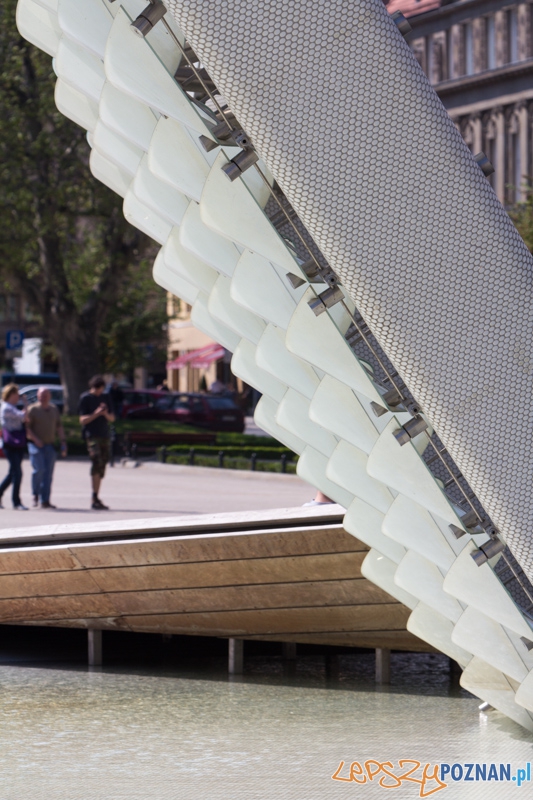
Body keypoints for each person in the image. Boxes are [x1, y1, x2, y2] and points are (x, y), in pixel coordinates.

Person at [26, 387, 67, 509]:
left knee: (48, 474)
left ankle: (45, 500)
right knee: (39, 469)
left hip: (49, 445)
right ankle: (35, 494)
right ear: (38, 396)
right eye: (40, 395)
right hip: (35, 445)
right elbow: (27, 428)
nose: (43, 397)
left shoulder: (54, 409)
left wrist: (63, 442)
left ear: (49, 396)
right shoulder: (32, 409)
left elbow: (59, 427)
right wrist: (35, 439)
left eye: (45, 395)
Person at [78, 375, 115, 510]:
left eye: (101, 389)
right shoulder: (85, 398)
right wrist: (96, 413)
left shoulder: (106, 397)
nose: (99, 392)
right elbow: (82, 420)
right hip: (92, 435)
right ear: (92, 388)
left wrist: (104, 414)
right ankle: (94, 496)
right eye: (97, 390)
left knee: (102, 465)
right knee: (96, 460)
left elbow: (112, 418)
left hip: (104, 434)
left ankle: (96, 496)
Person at [0, 383, 28, 510]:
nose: (18, 396)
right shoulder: (6, 407)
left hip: (18, 443)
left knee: (12, 473)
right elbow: (24, 417)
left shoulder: (12, 407)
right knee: (17, 473)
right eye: (17, 394)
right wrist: (26, 403)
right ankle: (16, 502)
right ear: (11, 394)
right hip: (10, 443)